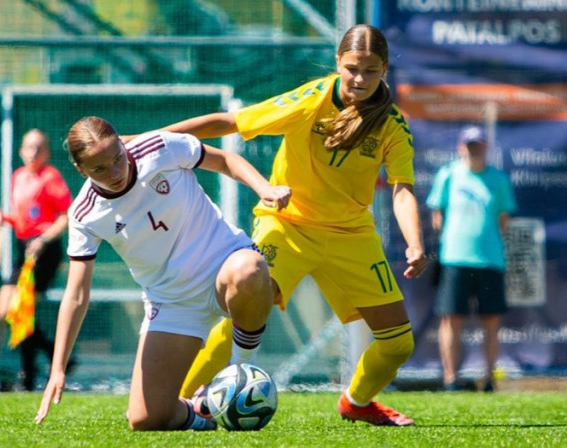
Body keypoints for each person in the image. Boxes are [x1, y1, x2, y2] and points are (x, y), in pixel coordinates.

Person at [142, 24, 428, 426]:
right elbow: (230, 123)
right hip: (287, 226)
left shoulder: (393, 125)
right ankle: (174, 402)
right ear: (337, 64)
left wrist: (414, 242)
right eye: (352, 68)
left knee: (398, 343)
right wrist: (146, 142)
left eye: (370, 70)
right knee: (244, 312)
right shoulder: (310, 100)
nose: (359, 78)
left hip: (352, 236)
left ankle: (356, 402)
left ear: (384, 70)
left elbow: (402, 190)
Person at [34, 116, 289, 431]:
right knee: (145, 420)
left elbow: (225, 160)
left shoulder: (160, 147)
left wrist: (265, 188)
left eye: (117, 157)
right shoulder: (84, 214)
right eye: (100, 169)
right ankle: (201, 409)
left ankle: (239, 374)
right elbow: (76, 294)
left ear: (121, 142)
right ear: (81, 170)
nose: (115, 172)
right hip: (172, 303)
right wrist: (57, 368)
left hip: (224, 264)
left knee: (250, 269)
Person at [426, 125, 517, 393]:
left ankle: (489, 379)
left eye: (478, 144)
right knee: (451, 319)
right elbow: (437, 215)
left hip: (490, 260)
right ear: (460, 147)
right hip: (454, 259)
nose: (473, 149)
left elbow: (503, 219)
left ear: (486, 147)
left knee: (491, 321)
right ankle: (451, 379)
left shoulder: (498, 179)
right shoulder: (448, 175)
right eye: (469, 145)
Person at [0, 129, 72, 391]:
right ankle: (52, 354)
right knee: (4, 310)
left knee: (21, 310)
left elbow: (66, 215)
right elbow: (24, 218)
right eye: (29, 147)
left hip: (43, 250)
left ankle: (27, 375)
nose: (33, 153)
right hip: (23, 248)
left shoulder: (51, 177)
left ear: (47, 152)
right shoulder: (18, 177)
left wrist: (43, 240)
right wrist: (6, 218)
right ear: (21, 151)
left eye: (39, 148)